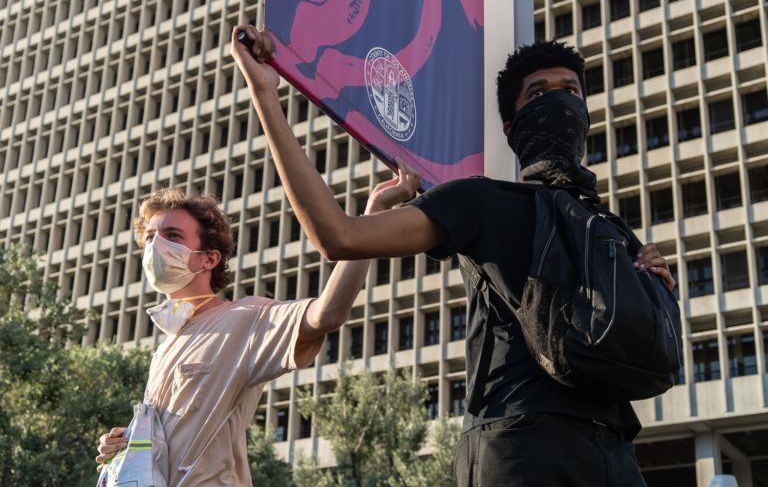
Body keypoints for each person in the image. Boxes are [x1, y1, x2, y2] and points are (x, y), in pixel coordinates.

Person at [232, 25, 677, 486]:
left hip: (616, 449)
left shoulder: (608, 230)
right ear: (511, 127)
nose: (558, 101)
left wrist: (656, 299)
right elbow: (338, 236)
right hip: (523, 445)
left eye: (570, 90)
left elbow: (646, 359)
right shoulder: (479, 202)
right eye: (538, 92)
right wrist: (265, 95)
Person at [94, 168, 420, 485]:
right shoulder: (166, 347)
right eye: (150, 237)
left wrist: (371, 217)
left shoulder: (245, 317)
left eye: (172, 236)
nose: (155, 248)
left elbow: (327, 313)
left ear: (210, 258)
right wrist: (128, 444)